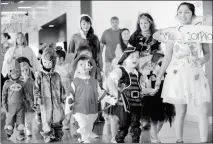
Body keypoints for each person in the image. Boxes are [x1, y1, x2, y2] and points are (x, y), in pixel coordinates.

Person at [155, 2, 211, 143]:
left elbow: (207, 54)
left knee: (203, 111)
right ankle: (179, 140)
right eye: (180, 12)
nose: (183, 15)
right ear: (176, 15)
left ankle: (204, 142)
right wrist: (159, 75)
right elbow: (167, 56)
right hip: (177, 75)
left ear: (192, 14)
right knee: (180, 112)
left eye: (186, 12)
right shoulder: (172, 33)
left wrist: (202, 60)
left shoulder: (201, 31)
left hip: (196, 75)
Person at [107, 46, 142, 143]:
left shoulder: (138, 73)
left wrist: (151, 90)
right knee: (124, 126)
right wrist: (115, 92)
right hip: (125, 104)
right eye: (132, 57)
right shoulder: (120, 70)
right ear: (125, 59)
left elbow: (142, 88)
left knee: (136, 126)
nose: (135, 59)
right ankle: (119, 140)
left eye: (137, 57)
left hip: (137, 103)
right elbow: (110, 80)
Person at [66, 54, 103, 143]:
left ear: (90, 66)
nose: (84, 66)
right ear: (77, 69)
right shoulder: (75, 82)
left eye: (86, 63)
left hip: (92, 110)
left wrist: (111, 99)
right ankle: (84, 139)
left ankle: (86, 135)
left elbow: (101, 93)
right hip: (79, 109)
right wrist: (68, 111)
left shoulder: (94, 82)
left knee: (89, 125)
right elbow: (70, 96)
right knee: (83, 124)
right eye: (81, 64)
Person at [140, 53, 175, 143]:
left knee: (162, 120)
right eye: (160, 64)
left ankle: (153, 135)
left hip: (163, 98)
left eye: (165, 63)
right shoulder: (149, 73)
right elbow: (146, 85)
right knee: (154, 120)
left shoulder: (166, 73)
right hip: (152, 98)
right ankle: (154, 137)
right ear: (154, 64)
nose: (163, 66)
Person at [34, 47, 66, 143]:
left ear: (53, 63)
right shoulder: (40, 75)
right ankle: (47, 134)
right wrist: (37, 98)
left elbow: (61, 87)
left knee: (58, 118)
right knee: (46, 119)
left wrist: (63, 97)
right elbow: (36, 88)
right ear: (42, 62)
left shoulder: (57, 75)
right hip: (45, 102)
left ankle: (57, 133)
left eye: (49, 62)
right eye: (45, 62)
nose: (47, 64)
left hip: (56, 102)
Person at [2, 60, 34, 141]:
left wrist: (31, 102)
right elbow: (4, 95)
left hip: (20, 107)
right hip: (10, 107)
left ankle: (20, 134)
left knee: (21, 123)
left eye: (17, 71)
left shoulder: (22, 83)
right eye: (13, 71)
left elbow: (26, 94)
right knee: (9, 122)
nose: (15, 74)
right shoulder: (7, 83)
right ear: (9, 72)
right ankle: (9, 131)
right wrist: (4, 104)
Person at [17, 57, 36, 140]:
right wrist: (24, 81)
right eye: (23, 71)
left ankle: (27, 128)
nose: (25, 72)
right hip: (23, 103)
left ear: (29, 70)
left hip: (31, 101)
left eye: (26, 70)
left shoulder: (31, 80)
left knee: (30, 116)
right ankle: (25, 130)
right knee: (25, 117)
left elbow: (34, 90)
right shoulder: (20, 81)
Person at [100, 16, 120, 87]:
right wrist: (99, 58)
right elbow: (101, 47)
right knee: (108, 78)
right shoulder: (106, 32)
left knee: (117, 78)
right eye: (113, 22)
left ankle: (116, 94)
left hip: (119, 61)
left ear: (118, 22)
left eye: (116, 22)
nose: (114, 24)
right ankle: (108, 93)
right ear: (110, 23)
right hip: (108, 60)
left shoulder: (121, 32)